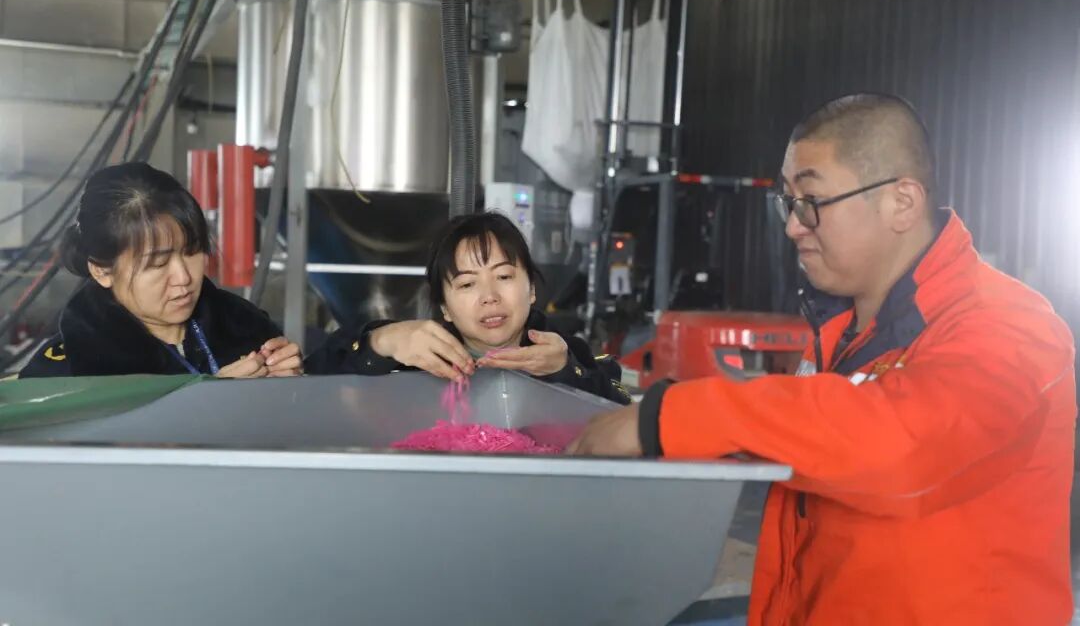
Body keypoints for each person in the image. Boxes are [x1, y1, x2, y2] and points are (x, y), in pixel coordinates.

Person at [568, 94, 1077, 624]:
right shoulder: (837, 330)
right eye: (788, 202)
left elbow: (901, 444)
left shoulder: (1008, 327)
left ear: (902, 202)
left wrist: (669, 419)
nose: (793, 226)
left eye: (811, 200)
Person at [307, 211, 629, 404]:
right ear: (444, 308)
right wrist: (380, 341)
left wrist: (566, 372)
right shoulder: (415, 361)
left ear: (531, 289)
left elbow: (622, 411)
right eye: (467, 284)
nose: (489, 296)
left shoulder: (567, 353)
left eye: (504, 276)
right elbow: (311, 381)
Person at [20, 162, 302, 379]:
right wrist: (212, 402)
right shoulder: (69, 368)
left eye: (192, 251)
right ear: (102, 271)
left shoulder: (245, 326)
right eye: (158, 263)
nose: (184, 278)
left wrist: (291, 384)